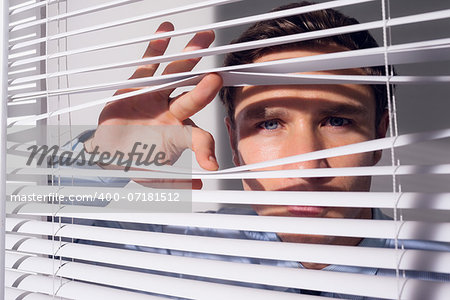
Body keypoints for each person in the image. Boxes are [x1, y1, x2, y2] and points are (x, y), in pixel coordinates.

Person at [66, 1, 449, 298]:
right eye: (269, 124)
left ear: (380, 135)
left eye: (337, 121)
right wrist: (101, 156)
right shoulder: (177, 254)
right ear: (233, 141)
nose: (306, 165)